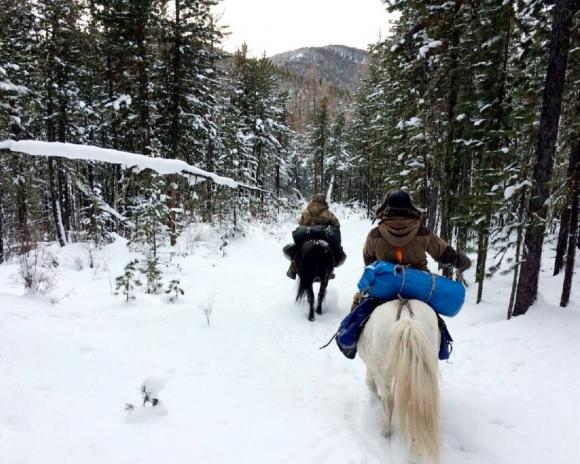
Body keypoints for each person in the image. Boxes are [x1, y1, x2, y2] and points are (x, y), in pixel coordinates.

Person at [352, 189, 471, 307]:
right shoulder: (422, 232)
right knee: (438, 323)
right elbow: (445, 254)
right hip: (419, 287)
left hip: (385, 286)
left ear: (386, 208)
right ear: (410, 207)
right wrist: (463, 262)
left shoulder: (374, 234)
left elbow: (369, 262)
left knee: (358, 312)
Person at [286, 194, 343, 279]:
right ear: (323, 201)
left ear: (313, 200)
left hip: (307, 235)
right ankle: (330, 270)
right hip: (323, 236)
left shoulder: (306, 211)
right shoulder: (327, 213)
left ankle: (292, 269)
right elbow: (336, 224)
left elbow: (301, 224)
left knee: (298, 247)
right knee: (331, 248)